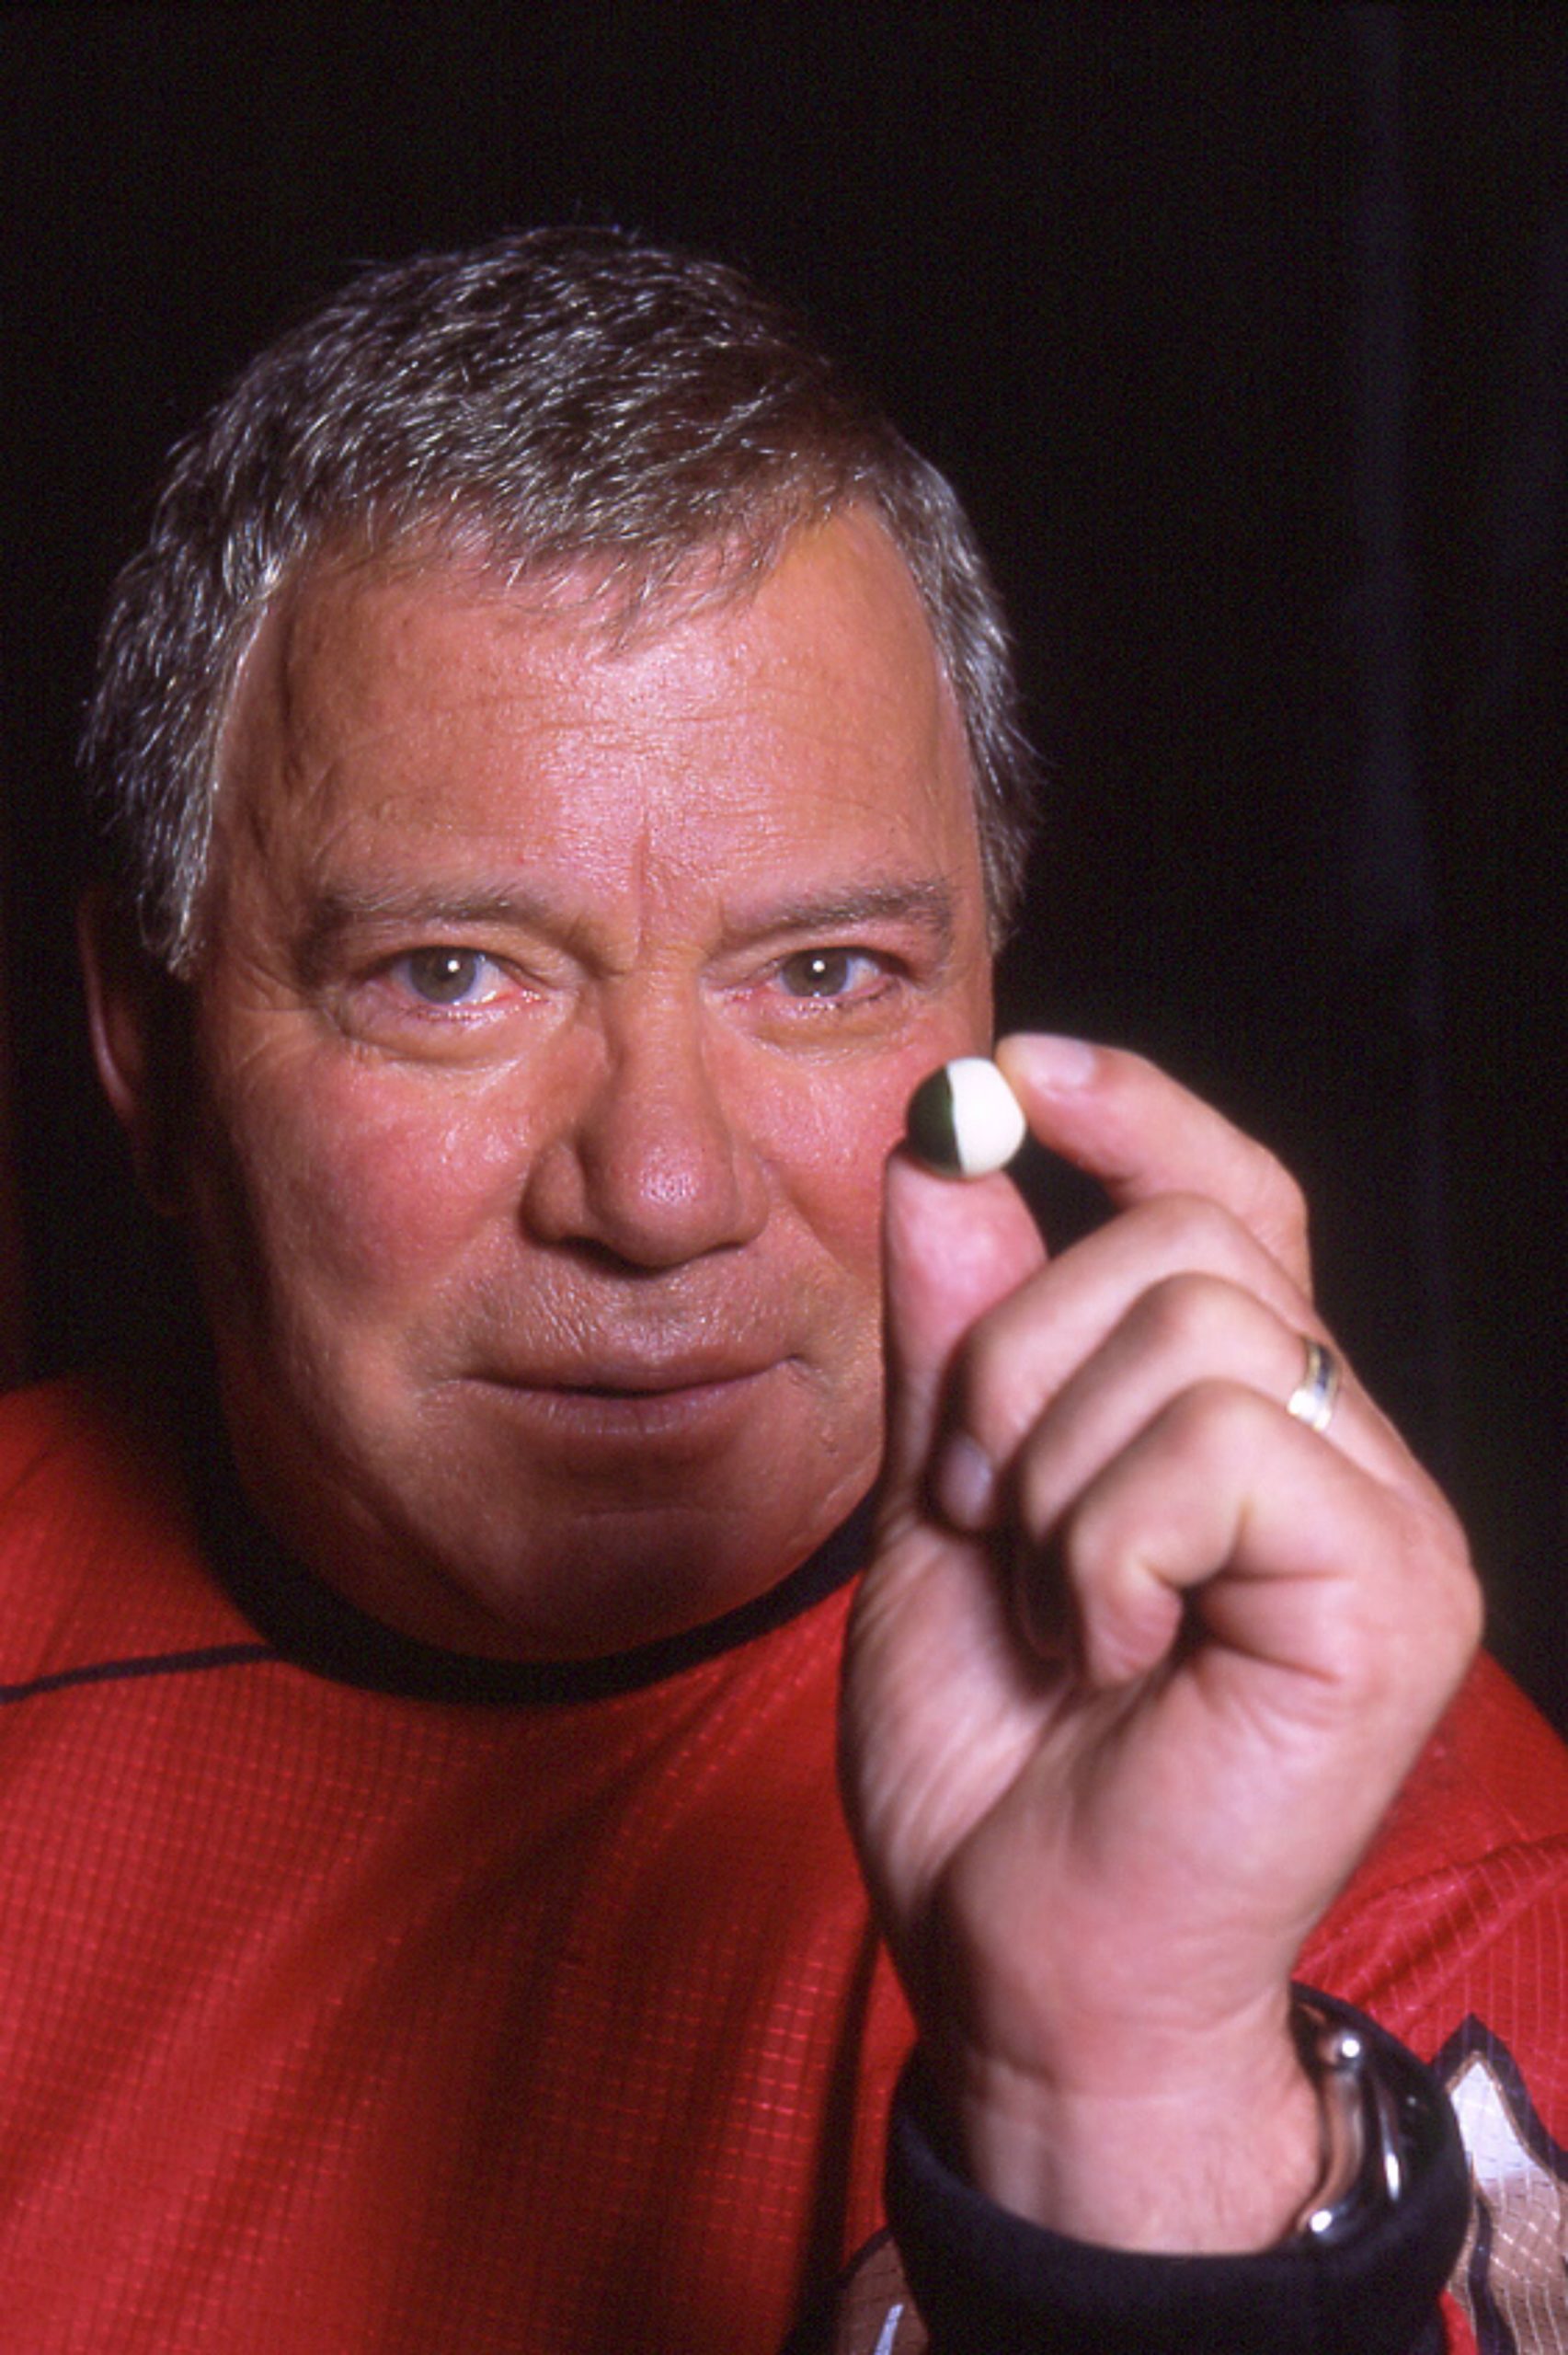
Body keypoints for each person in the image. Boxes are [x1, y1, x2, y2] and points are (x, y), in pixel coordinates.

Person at [1, 227, 1562, 2353]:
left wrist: (1129, 2110)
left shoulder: (1379, 1872)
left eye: (823, 972)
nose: (661, 1191)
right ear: (143, 1039)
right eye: (451, 975)